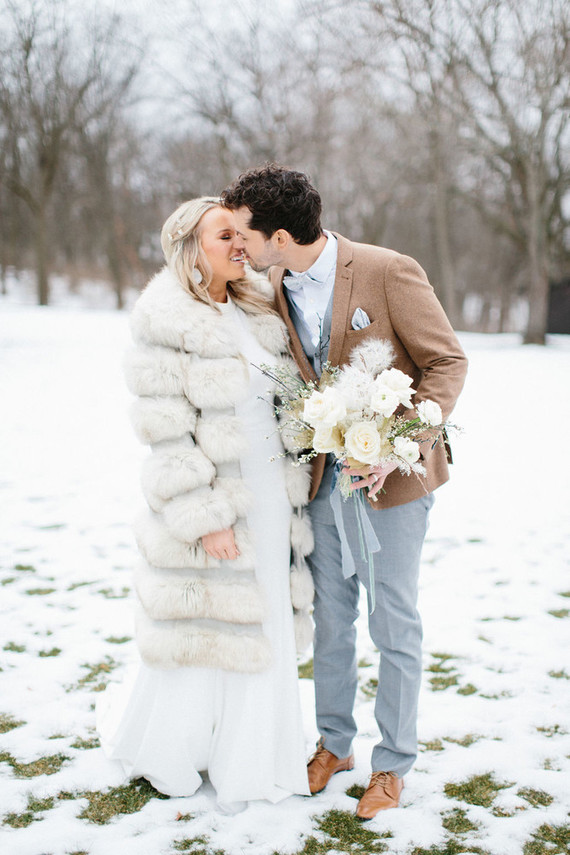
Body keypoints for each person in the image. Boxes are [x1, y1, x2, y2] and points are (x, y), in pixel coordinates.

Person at [221, 165, 468, 819]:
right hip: (322, 481)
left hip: (394, 484)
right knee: (331, 621)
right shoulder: (271, 282)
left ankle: (392, 765)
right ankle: (334, 742)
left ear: (280, 235)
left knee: (394, 623)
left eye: (245, 234)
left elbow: (447, 361)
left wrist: (404, 443)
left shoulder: (389, 270)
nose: (238, 246)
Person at [96, 196, 315, 812]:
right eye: (226, 235)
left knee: (264, 615)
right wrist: (206, 516)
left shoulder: (257, 306)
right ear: (192, 249)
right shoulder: (165, 318)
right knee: (206, 627)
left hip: (272, 495)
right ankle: (179, 746)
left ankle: (254, 749)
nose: (240, 244)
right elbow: (166, 431)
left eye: (240, 233)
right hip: (219, 500)